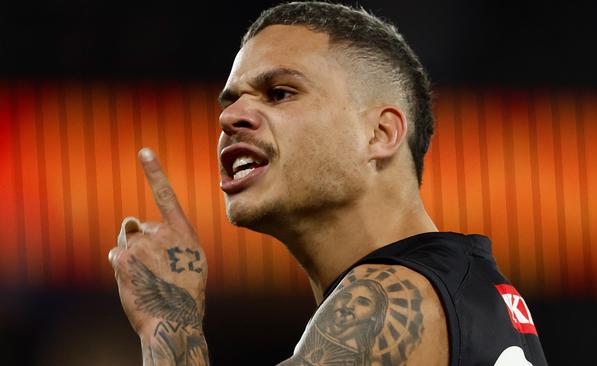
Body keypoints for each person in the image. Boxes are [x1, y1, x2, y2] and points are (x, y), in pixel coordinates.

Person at [108, 2, 547, 365]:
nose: (229, 118)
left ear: (380, 134)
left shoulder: (390, 299)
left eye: (280, 92)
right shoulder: (461, 288)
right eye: (232, 100)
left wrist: (169, 316)